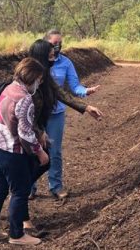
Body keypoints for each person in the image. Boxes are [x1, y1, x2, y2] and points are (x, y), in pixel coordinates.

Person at [0, 57, 49, 246]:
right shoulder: (24, 98)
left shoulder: (7, 89)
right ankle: (17, 234)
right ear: (33, 77)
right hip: (11, 151)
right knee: (20, 191)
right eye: (39, 79)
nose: (39, 83)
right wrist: (39, 152)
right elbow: (25, 133)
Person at [30, 33, 101, 200]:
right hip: (32, 119)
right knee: (32, 151)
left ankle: (55, 186)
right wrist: (39, 131)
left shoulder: (54, 69)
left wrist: (85, 106)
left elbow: (61, 93)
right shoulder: (28, 72)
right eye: (53, 46)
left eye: (59, 44)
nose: (56, 50)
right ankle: (27, 187)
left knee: (53, 152)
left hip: (54, 114)